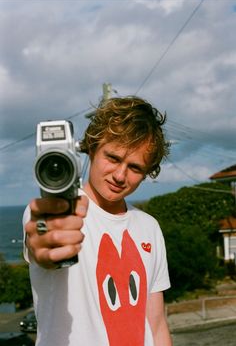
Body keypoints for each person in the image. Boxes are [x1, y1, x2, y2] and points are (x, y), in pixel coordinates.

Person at [23, 96, 172, 346]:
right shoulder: (53, 210)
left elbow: (156, 327)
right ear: (90, 147)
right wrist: (45, 244)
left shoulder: (150, 227)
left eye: (135, 168)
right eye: (113, 158)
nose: (120, 175)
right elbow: (44, 242)